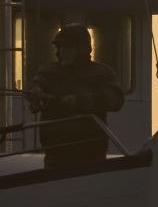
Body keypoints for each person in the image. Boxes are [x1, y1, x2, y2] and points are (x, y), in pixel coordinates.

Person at [25, 23, 124, 169]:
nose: (60, 52)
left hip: (91, 158)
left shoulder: (102, 73)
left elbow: (116, 99)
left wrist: (79, 101)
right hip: (54, 159)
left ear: (81, 49)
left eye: (65, 47)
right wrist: (35, 92)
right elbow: (34, 85)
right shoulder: (49, 72)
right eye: (58, 47)